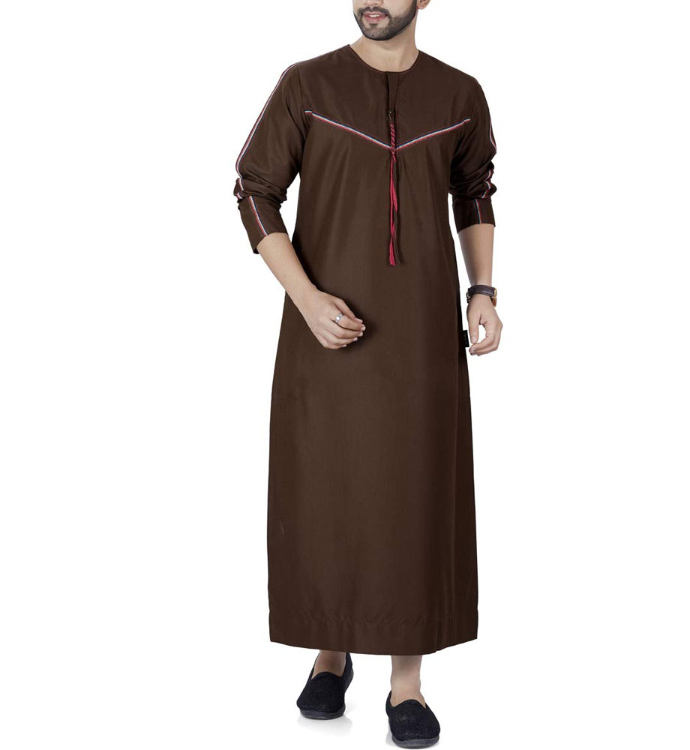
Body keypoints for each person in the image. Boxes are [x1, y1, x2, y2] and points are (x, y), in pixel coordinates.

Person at [232, 1, 502, 745]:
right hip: (325, 336)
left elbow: (475, 190)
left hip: (420, 336)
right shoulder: (307, 85)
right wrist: (306, 299)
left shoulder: (459, 94)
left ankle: (405, 683)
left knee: (413, 493)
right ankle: (330, 650)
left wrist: (482, 291)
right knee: (326, 488)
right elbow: (253, 189)